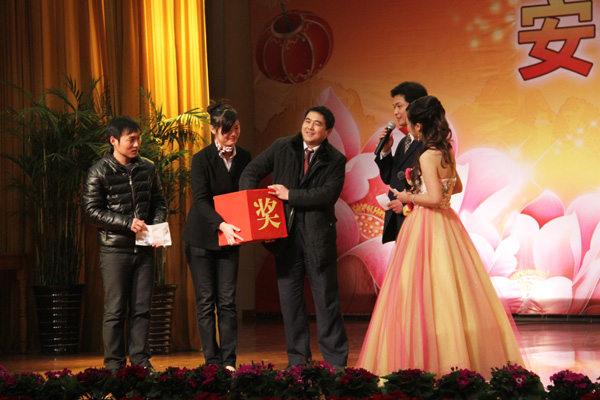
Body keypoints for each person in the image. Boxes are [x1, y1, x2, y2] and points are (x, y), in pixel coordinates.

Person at [357, 96, 525, 379]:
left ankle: (429, 358)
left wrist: (409, 196)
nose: (409, 129)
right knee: (450, 288)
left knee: (420, 291)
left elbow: (434, 198)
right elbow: (454, 187)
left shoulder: (426, 155)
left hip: (425, 223)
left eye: (411, 125)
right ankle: (458, 352)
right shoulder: (445, 151)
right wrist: (424, 191)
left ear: (419, 126)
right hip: (448, 223)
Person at [239, 105, 349, 371]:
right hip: (285, 237)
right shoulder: (283, 146)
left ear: (328, 131)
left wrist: (290, 195)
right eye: (307, 120)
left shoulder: (335, 159)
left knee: (326, 302)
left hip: (318, 239)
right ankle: (298, 362)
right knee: (290, 303)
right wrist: (255, 214)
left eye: (317, 124)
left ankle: (336, 364)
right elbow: (250, 173)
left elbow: (327, 194)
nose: (309, 127)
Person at [83, 116, 167, 373]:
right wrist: (126, 222)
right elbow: (91, 211)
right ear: (114, 141)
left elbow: (159, 203)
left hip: (145, 248)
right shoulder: (99, 171)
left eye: (138, 138)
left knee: (142, 309)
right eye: (131, 139)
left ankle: (140, 361)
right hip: (114, 249)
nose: (136, 144)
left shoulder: (148, 168)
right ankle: (114, 365)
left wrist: (156, 228)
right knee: (115, 310)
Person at [182, 100, 251, 371]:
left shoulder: (245, 157)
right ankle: (211, 362)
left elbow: (247, 194)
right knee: (205, 303)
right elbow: (200, 200)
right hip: (202, 237)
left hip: (230, 238)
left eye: (236, 129)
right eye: (226, 130)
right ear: (213, 130)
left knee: (227, 302)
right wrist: (221, 225)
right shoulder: (201, 159)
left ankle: (229, 362)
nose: (232, 134)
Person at [376, 81, 428, 244]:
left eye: (399, 106)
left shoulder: (429, 142)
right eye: (394, 107)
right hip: (399, 220)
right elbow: (389, 178)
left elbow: (433, 187)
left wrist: (407, 204)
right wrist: (385, 151)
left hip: (418, 219)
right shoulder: (405, 141)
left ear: (414, 107)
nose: (395, 112)